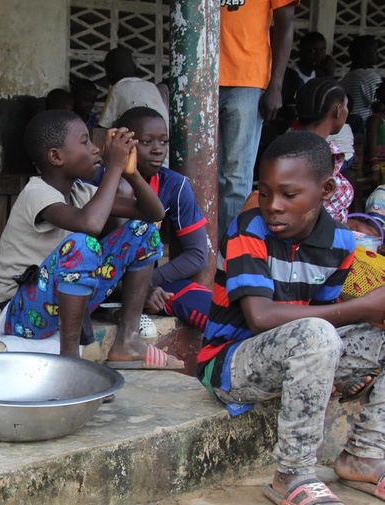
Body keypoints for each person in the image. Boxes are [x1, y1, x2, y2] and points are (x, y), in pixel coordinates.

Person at [197, 130, 385, 505]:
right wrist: (363, 307)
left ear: (326, 190)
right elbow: (260, 317)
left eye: (289, 194)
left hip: (297, 352)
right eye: (265, 193)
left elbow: (325, 319)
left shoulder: (341, 243)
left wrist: (339, 364)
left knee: (330, 334)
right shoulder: (249, 230)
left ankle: (365, 455)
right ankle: (292, 473)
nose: (273, 206)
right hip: (231, 362)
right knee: (316, 332)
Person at [0, 109, 184, 369]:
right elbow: (90, 224)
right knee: (83, 244)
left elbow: (153, 213)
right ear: (56, 157)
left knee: (143, 231)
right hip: (21, 311)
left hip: (60, 303)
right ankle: (70, 363)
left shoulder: (81, 191)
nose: (95, 149)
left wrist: (131, 173)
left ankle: (128, 340)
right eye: (84, 142)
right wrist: (113, 167)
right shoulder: (36, 192)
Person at [97, 107, 211, 331]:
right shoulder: (93, 182)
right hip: (92, 285)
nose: (158, 150)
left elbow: (197, 255)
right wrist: (132, 290)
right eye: (147, 142)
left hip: (148, 282)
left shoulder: (174, 185)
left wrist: (143, 286)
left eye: (164, 142)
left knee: (217, 311)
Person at [217, 0, 296, 233]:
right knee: (202, 173)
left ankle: (230, 246)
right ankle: (204, 246)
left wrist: (276, 84)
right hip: (202, 77)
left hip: (247, 80)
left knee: (236, 176)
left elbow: (285, 23)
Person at [294, 77, 353, 223]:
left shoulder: (287, 145)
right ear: (338, 110)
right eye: (346, 106)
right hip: (320, 233)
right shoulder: (325, 154)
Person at [97, 47, 168, 129]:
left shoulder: (118, 88)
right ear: (135, 67)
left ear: (109, 74)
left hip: (138, 134)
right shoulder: (151, 86)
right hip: (163, 134)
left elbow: (104, 124)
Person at [340, 35, 381, 135]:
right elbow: (378, 106)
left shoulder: (346, 78)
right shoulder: (369, 77)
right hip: (364, 130)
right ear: (363, 52)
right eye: (374, 50)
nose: (377, 54)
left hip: (349, 130)